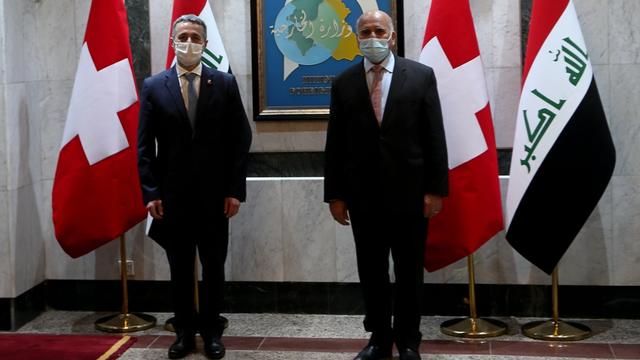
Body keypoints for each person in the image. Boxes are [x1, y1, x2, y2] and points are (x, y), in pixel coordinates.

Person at [324, 10, 448, 360]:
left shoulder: (421, 76)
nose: (372, 37)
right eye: (365, 32)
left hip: (411, 196)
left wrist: (436, 189)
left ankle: (409, 340)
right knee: (372, 272)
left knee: (409, 272)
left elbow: (434, 135)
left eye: (379, 30)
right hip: (363, 198)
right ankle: (379, 338)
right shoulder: (344, 82)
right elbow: (336, 143)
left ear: (392, 37)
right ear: (357, 37)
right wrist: (335, 195)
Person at [137, 14, 251, 360]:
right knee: (180, 269)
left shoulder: (225, 83)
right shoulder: (155, 86)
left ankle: (212, 333)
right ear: (173, 41)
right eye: (183, 36)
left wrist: (235, 190)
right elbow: (144, 147)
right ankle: (185, 334)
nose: (189, 42)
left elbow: (240, 139)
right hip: (172, 199)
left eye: (195, 37)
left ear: (204, 43)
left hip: (216, 198)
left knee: (214, 268)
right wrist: (151, 193)